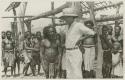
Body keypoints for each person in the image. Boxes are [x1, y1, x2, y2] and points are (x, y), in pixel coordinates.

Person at [59, 8, 95, 79]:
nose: (65, 19)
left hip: (75, 51)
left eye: (67, 17)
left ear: (72, 17)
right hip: (68, 51)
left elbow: (92, 33)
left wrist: (81, 38)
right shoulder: (66, 26)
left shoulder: (78, 25)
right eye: (64, 17)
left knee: (76, 71)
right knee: (69, 71)